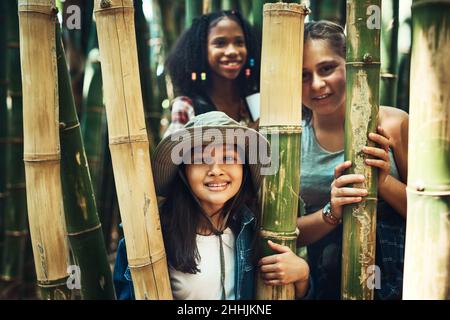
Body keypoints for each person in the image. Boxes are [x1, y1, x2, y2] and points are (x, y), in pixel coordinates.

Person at [114, 111, 311, 300]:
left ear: (244, 169)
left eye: (228, 158)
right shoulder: (150, 239)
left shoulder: (255, 228)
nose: (216, 170)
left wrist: (302, 278)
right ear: (183, 172)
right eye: (200, 160)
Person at [297, 21, 409, 300]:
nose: (317, 84)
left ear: (350, 64)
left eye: (326, 69)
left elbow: (434, 214)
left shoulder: (393, 124)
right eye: (303, 75)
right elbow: (285, 234)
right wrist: (331, 212)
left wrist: (382, 182)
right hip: (325, 276)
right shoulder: (289, 137)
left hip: (400, 271)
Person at [163, 10, 260, 137]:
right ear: (201, 51)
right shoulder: (188, 106)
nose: (232, 51)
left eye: (239, 42)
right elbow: (171, 153)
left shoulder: (255, 102)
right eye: (220, 43)